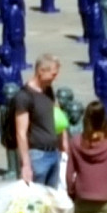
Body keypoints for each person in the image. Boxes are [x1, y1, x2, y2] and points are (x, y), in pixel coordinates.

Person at [15, 54, 64, 187]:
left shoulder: (48, 90)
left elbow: (57, 117)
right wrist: (26, 164)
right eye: (53, 74)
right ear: (41, 71)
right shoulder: (24, 96)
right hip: (37, 156)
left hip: (53, 153)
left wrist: (63, 144)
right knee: (36, 197)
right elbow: (21, 133)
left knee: (51, 197)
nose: (55, 78)